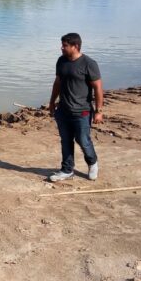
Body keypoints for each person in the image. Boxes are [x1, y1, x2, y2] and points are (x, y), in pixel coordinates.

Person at [47, 33, 104, 181]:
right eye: (62, 44)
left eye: (65, 45)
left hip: (82, 111)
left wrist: (98, 111)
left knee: (83, 140)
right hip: (63, 111)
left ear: (75, 46)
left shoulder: (89, 63)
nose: (62, 48)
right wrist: (52, 102)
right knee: (65, 140)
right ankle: (67, 170)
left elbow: (98, 87)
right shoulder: (61, 61)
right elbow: (58, 82)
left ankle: (92, 163)